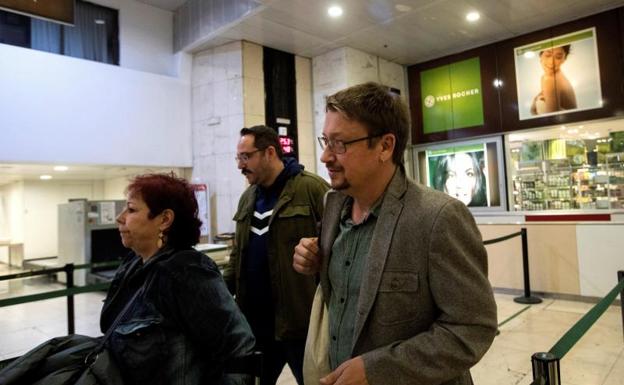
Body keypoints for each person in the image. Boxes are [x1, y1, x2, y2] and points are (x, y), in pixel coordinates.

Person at [293, 82, 497, 385]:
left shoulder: (438, 217)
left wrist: (377, 370)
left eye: (340, 144)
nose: (325, 157)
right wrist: (314, 262)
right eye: (325, 140)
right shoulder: (332, 203)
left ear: (385, 146)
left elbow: (472, 328)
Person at [101, 173, 256, 385]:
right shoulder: (133, 265)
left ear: (164, 219)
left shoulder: (186, 272)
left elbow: (237, 351)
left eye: (131, 209)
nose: (120, 218)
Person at [226, 125, 329, 385]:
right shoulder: (247, 198)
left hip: (300, 326)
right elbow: (238, 256)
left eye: (246, 157)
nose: (240, 165)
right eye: (238, 157)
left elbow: (339, 250)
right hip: (255, 327)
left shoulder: (313, 190)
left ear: (270, 152)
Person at [531, 45, 577, 115]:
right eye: (548, 55)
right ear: (541, 56)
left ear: (564, 59)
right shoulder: (546, 77)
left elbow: (552, 120)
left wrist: (533, 110)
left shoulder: (550, 80)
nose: (551, 62)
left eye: (558, 57)